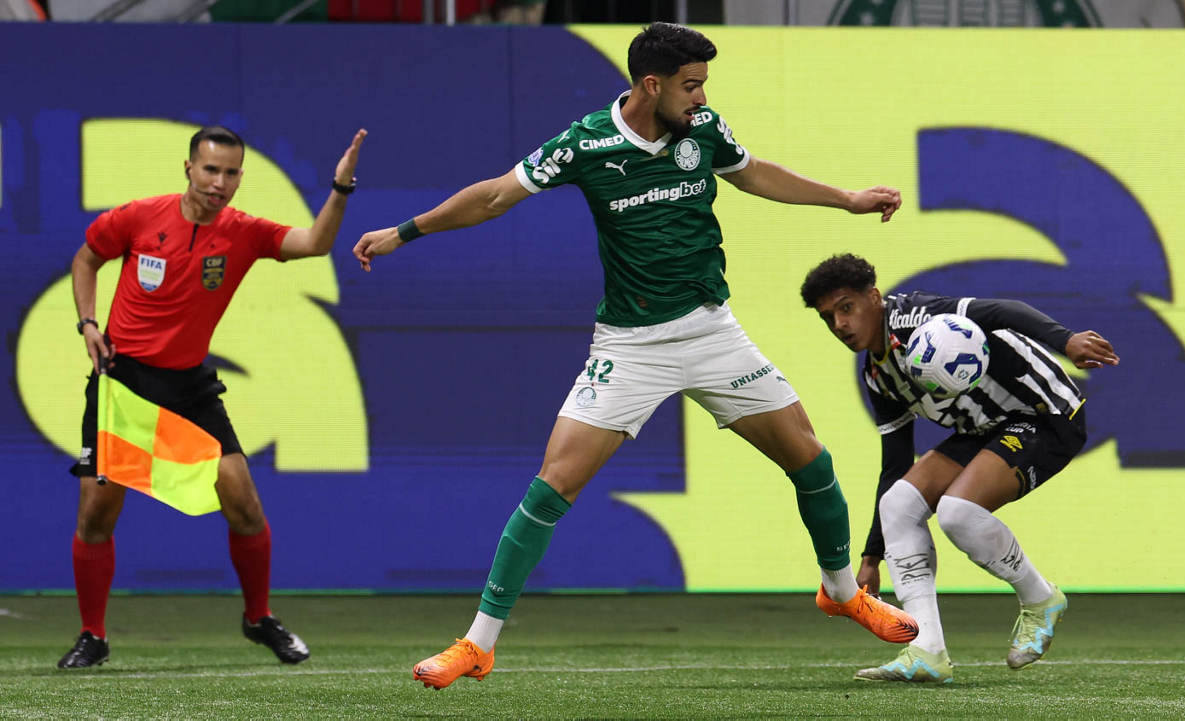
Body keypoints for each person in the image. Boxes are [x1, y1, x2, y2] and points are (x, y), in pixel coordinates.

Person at [352, 22, 916, 691]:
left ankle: (841, 589)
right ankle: (478, 643)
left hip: (711, 331)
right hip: (631, 344)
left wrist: (846, 198)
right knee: (553, 484)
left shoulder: (703, 129)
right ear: (652, 84)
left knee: (810, 459)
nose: (702, 97)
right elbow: (498, 194)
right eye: (691, 84)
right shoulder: (586, 141)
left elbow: (755, 172)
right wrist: (405, 230)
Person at [58, 125, 367, 669]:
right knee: (97, 514)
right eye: (210, 170)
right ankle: (93, 635)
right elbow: (86, 259)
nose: (219, 183)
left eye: (229, 174)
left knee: (243, 502)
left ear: (240, 178)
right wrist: (87, 322)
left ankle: (258, 618)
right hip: (123, 381)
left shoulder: (243, 232)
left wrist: (340, 189)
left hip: (190, 387)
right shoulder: (137, 217)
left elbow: (315, 244)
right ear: (188, 169)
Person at [800, 253, 1120, 683]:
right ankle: (927, 652)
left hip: (1047, 415)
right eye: (828, 317)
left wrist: (1065, 342)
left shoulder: (916, 317)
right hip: (985, 429)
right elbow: (895, 462)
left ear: (873, 297)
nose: (839, 324)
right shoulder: (878, 376)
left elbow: (1002, 311)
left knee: (956, 511)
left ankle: (1040, 598)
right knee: (898, 504)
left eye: (845, 307)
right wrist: (872, 557)